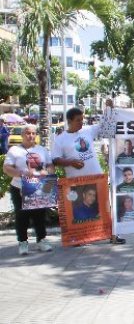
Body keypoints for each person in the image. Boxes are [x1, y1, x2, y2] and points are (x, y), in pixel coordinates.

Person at [52, 102, 125, 244]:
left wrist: (108, 109)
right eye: (78, 120)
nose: (81, 122)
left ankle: (112, 235)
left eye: (82, 119)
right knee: (78, 209)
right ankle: (78, 238)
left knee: (104, 207)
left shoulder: (87, 131)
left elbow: (105, 125)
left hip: (96, 177)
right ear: (69, 121)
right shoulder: (60, 139)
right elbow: (55, 159)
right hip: (76, 181)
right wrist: (70, 162)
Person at [3, 124, 55, 255]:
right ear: (22, 135)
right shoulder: (14, 150)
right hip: (19, 188)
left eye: (33, 133)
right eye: (27, 133)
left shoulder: (42, 150)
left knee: (40, 215)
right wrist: (22, 173)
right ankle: (23, 242)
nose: (30, 136)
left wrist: (47, 171)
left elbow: (50, 166)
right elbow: (7, 168)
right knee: (22, 217)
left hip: (38, 188)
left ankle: (41, 240)